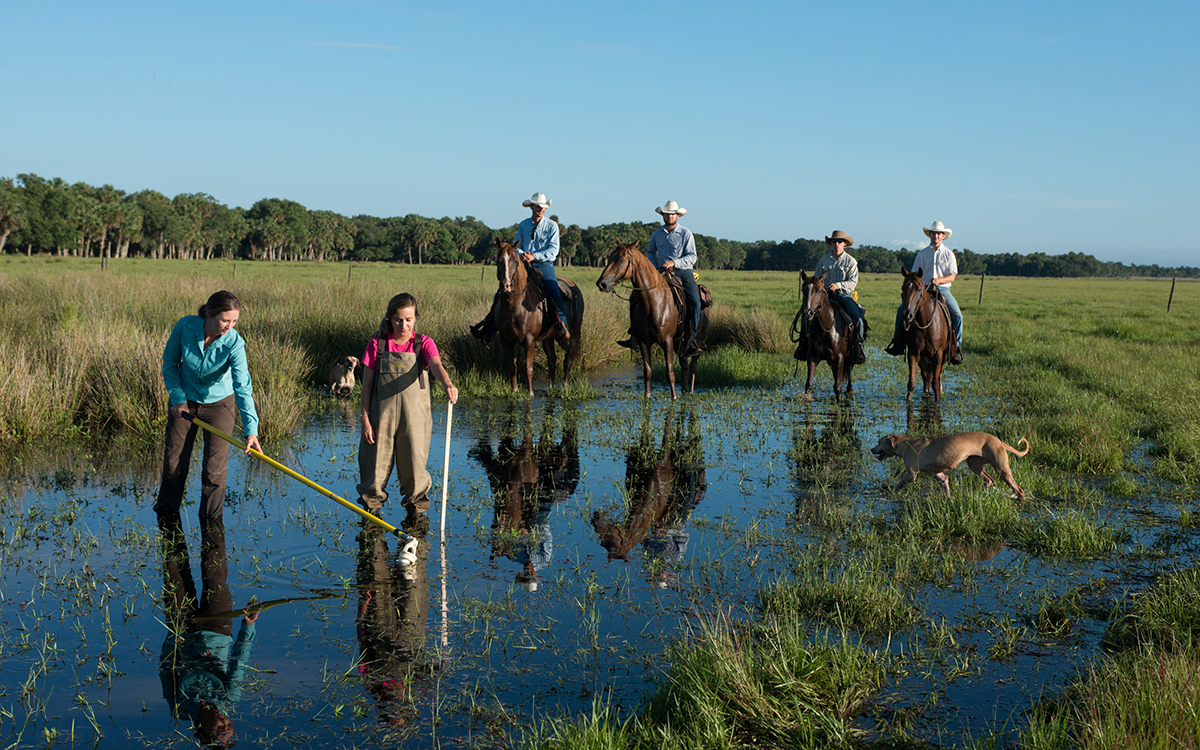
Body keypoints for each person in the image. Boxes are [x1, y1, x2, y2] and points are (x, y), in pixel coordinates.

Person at [155, 291, 261, 523]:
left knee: (214, 469)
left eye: (234, 321)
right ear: (210, 314)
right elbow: (170, 363)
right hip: (184, 404)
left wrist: (251, 430)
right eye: (225, 320)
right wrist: (177, 398)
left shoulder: (234, 342)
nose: (229, 326)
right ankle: (166, 513)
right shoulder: (185, 326)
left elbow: (242, 387)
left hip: (219, 406)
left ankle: (211, 519)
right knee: (175, 461)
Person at [358, 293, 459, 526]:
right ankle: (371, 520)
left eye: (409, 319)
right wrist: (365, 419)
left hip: (415, 420)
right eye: (398, 320)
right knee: (373, 471)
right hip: (379, 419)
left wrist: (447, 384)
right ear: (389, 319)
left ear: (416, 318)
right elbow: (366, 386)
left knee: (414, 469)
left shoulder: (423, 343)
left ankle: (415, 521)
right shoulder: (377, 344)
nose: (404, 325)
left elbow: (436, 365)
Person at [470, 192, 569, 343]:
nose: (541, 209)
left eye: (543, 207)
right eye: (538, 206)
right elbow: (517, 245)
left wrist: (534, 256)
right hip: (523, 264)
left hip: (544, 264)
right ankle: (488, 330)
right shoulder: (524, 225)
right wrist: (523, 255)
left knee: (553, 290)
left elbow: (553, 250)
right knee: (502, 292)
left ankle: (562, 327)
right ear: (532, 207)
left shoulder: (552, 226)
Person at [619, 200, 703, 355]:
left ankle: (692, 339)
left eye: (672, 214)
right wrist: (653, 266)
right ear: (663, 215)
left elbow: (692, 257)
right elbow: (650, 251)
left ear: (677, 216)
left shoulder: (686, 233)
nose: (669, 216)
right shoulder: (657, 234)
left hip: (682, 271)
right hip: (660, 272)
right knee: (635, 297)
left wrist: (674, 262)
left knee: (694, 301)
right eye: (667, 214)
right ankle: (634, 336)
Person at [883, 220, 963, 364]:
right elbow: (914, 273)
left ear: (943, 236)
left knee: (957, 315)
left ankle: (955, 349)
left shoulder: (949, 254)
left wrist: (939, 280)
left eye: (938, 234)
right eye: (933, 233)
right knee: (901, 310)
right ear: (930, 235)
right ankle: (898, 344)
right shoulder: (922, 254)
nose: (936, 236)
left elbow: (952, 276)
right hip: (923, 289)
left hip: (942, 288)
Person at [794, 230, 867, 364]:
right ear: (831, 243)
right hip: (824, 296)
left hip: (844, 296)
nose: (837, 244)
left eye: (840, 241)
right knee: (805, 315)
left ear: (844, 244)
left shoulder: (850, 261)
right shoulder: (823, 260)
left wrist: (838, 285)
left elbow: (853, 282)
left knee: (858, 318)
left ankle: (858, 348)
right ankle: (803, 346)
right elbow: (816, 280)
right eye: (834, 241)